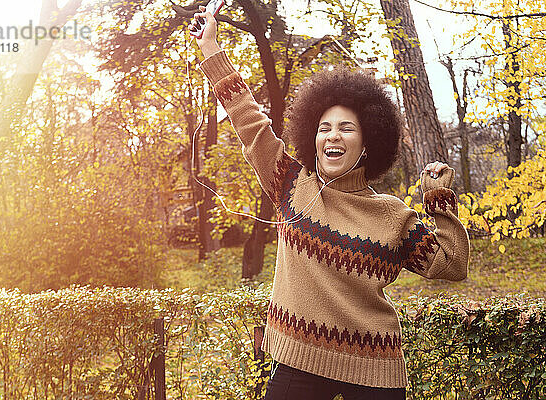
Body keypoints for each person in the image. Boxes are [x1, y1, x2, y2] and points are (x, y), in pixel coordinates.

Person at [189, 6, 470, 400]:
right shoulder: (292, 185)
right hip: (297, 362)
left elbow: (452, 265)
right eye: (324, 128)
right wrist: (211, 49)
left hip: (375, 370)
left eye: (346, 128)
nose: (332, 136)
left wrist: (438, 203)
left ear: (367, 141)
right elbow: (249, 121)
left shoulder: (389, 213)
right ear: (312, 137)